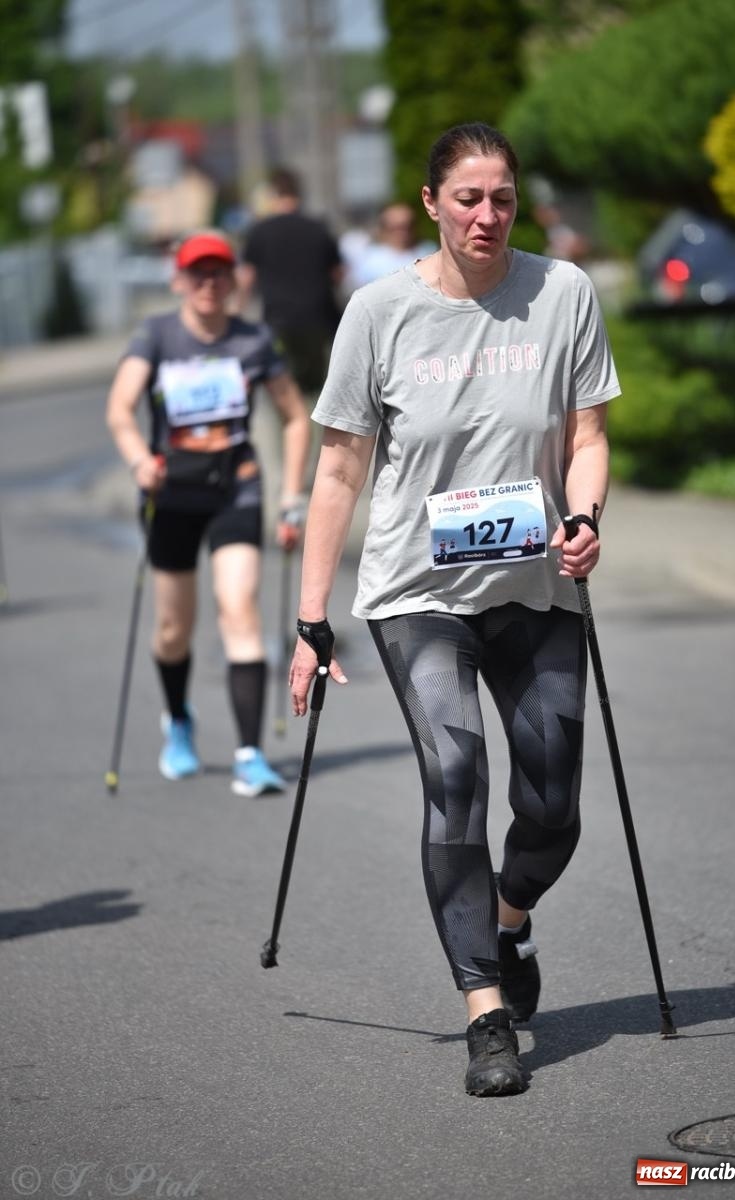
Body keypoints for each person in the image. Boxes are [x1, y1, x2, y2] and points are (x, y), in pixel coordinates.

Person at [289, 123, 620, 1097]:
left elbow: (589, 434)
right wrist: (314, 618)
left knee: (552, 803)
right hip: (416, 591)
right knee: (457, 771)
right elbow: (341, 468)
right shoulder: (380, 313)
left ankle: (508, 923)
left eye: (503, 199)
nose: (487, 215)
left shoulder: (562, 293)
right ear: (431, 201)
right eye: (468, 198)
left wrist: (587, 515)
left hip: (535, 585)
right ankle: (485, 1013)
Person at [106, 229, 310, 797]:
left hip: (235, 490)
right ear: (179, 280)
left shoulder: (253, 340)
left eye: (219, 272)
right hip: (170, 496)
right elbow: (121, 409)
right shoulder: (157, 336)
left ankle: (249, 754)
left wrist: (292, 494)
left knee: (238, 606)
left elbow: (295, 417)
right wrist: (137, 460)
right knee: (174, 627)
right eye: (198, 273)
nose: (209, 283)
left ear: (233, 280)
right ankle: (178, 719)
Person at [238, 167, 343, 397]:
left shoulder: (260, 231)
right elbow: (337, 274)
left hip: (278, 320)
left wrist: (236, 313)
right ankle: (317, 432)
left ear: (273, 194)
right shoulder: (319, 228)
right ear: (299, 193)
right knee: (319, 390)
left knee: (282, 389)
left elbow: (247, 277)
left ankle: (291, 431)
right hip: (318, 319)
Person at [344, 201, 437, 291]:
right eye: (396, 228)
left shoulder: (429, 251)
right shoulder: (369, 260)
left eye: (407, 226)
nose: (403, 232)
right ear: (384, 229)